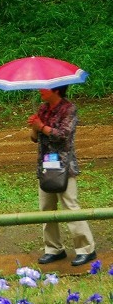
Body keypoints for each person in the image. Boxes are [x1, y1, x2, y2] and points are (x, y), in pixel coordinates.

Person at [28, 85, 96, 267]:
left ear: (56, 90)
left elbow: (63, 135)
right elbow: (35, 138)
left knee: (70, 207)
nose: (40, 89)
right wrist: (34, 128)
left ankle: (86, 249)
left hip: (64, 166)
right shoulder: (43, 109)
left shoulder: (69, 109)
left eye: (45, 87)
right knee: (46, 208)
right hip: (45, 167)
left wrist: (41, 126)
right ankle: (53, 249)